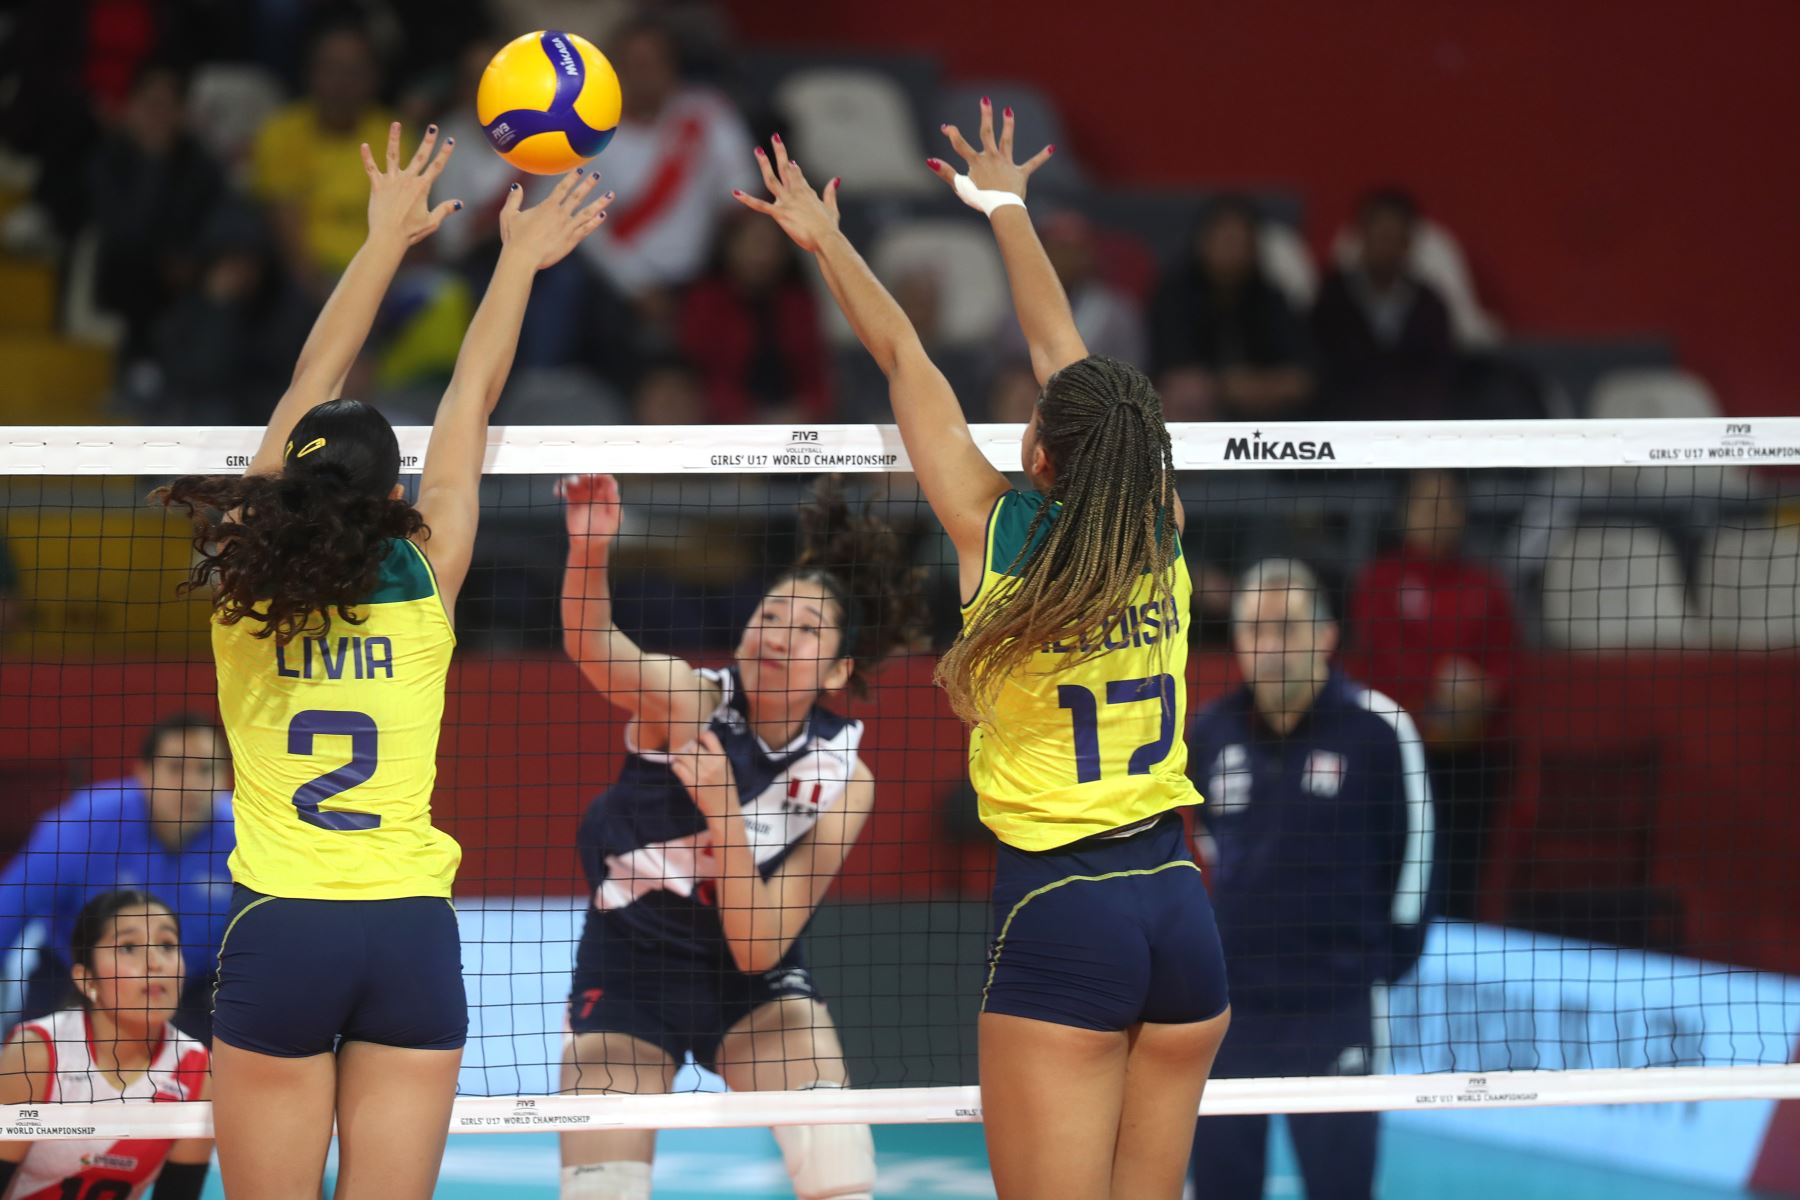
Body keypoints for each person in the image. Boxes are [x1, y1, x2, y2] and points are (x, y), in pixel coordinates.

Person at [736, 100, 1230, 1200]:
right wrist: (1008, 205)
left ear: (1042, 450)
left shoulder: (994, 527)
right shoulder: (1161, 519)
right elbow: (1070, 360)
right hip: (1180, 906)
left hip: (1066, 912)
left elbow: (903, 350)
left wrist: (826, 241)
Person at [155, 123, 610, 1200]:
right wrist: (513, 261)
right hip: (409, 935)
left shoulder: (239, 583)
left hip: (282, 935)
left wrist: (380, 240)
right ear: (388, 495)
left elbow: (314, 372)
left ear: (284, 491)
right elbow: (471, 401)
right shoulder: (428, 568)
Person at [556, 473, 927, 1200]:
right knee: (600, 1191)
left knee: (840, 1168)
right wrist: (591, 549)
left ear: (838, 670)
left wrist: (723, 809)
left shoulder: (844, 778)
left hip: (754, 990)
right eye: (772, 614)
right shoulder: (688, 699)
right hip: (631, 971)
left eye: (808, 629)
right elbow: (592, 642)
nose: (780, 636)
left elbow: (758, 946)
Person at [1187, 559, 1435, 1200]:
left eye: (1288, 627)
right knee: (1220, 1187)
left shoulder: (1379, 729)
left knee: (1340, 1188)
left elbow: (1416, 857)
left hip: (1335, 1007)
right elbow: (1215, 847)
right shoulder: (1210, 732)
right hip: (1231, 1011)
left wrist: (1375, 965)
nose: (1270, 645)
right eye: (1254, 630)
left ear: (1326, 635)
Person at [0, 712, 232, 1041]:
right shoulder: (84, 823)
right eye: (176, 767)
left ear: (225, 777)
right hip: (74, 980)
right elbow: (9, 911)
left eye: (206, 769)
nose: (191, 784)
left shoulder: (245, 840)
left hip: (190, 992)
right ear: (144, 772)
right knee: (30, 1066)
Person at [1348, 469, 1517, 920]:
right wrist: (1435, 691)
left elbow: (1509, 664)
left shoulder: (1485, 585)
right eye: (1426, 502)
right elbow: (1376, 663)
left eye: (1448, 501)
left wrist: (1481, 690)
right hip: (1401, 758)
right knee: (1400, 875)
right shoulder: (1380, 581)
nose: (1438, 511)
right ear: (1405, 513)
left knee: (1463, 879)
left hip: (1471, 762)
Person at [0, 889, 212, 1200]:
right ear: (87, 979)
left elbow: (179, 1193)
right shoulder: (36, 1053)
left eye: (167, 945)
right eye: (128, 947)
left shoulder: (197, 1068)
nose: (155, 962)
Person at [251, 22, 397, 290]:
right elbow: (289, 242)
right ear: (310, 74)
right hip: (311, 277)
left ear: (375, 78)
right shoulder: (281, 134)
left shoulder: (394, 134)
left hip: (383, 274)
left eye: (354, 71)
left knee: (440, 293)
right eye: (331, 69)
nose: (342, 83)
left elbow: (405, 227)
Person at [1148, 195, 1312, 421]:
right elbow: (1175, 375)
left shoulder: (1270, 297)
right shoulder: (1174, 295)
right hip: (1197, 419)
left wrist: (1247, 388)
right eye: (1226, 240)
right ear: (1203, 243)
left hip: (1264, 419)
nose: (1233, 251)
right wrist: (1226, 386)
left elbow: (1301, 377)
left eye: (1243, 242)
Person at [1310, 188, 1456, 421]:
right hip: (1345, 426)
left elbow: (1439, 375)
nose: (1385, 248)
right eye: (1379, 236)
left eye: (1394, 238)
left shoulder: (1429, 304)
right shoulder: (1332, 298)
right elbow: (1320, 369)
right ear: (1362, 238)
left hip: (1415, 427)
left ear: (1408, 243)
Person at [677, 210, 832, 423]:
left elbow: (816, 370)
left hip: (794, 420)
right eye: (756, 244)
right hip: (723, 421)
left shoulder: (798, 302)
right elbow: (699, 375)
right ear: (731, 245)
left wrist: (805, 409)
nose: (764, 256)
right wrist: (750, 417)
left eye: (772, 246)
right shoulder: (705, 301)